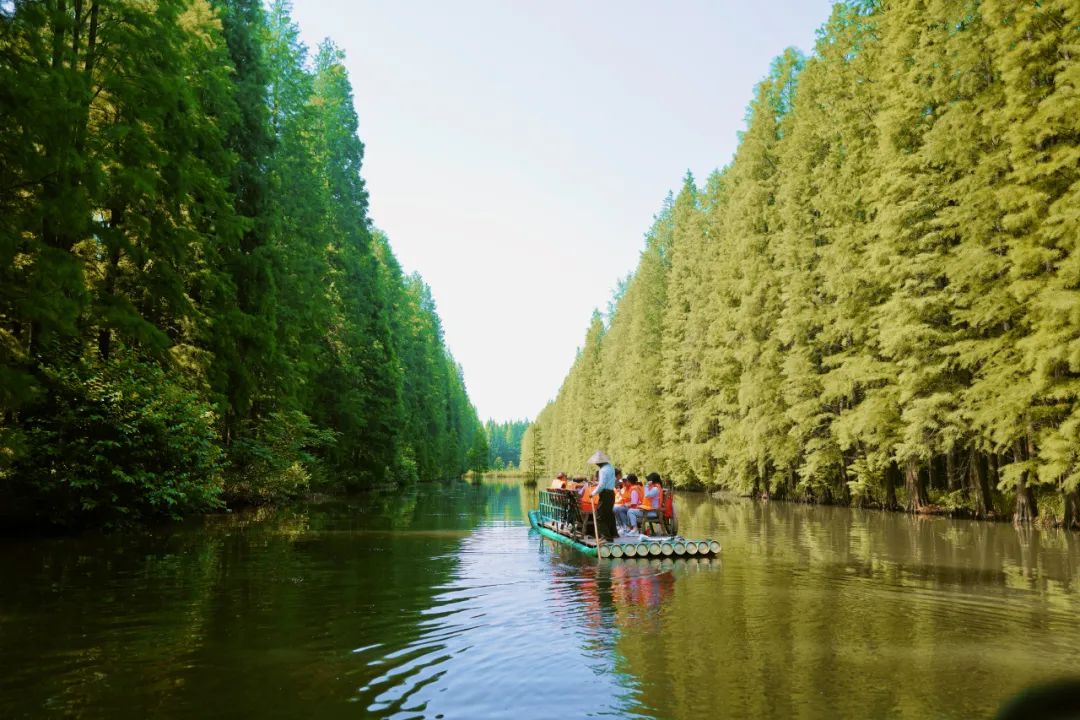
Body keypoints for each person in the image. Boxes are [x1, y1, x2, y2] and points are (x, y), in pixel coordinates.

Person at [587, 450, 618, 541]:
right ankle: (612, 534)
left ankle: (606, 537)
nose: (596, 464)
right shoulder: (611, 467)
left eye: (597, 463)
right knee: (609, 514)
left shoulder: (602, 470)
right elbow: (607, 481)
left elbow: (602, 485)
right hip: (611, 493)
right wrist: (596, 483)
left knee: (600, 516)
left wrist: (592, 494)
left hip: (605, 494)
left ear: (600, 462)